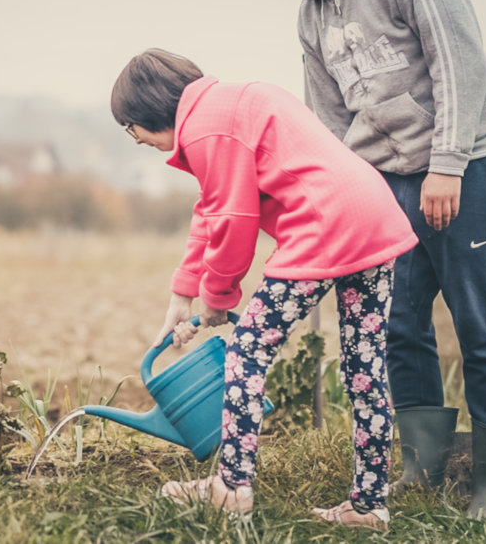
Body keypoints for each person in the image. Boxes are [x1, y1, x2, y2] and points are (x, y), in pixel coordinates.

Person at [242, 0, 486, 520]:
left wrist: (447, 164)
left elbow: (460, 63)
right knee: (398, 322)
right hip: (389, 177)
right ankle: (424, 468)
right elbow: (331, 122)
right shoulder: (311, 17)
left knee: (478, 322)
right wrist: (342, 204)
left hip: (467, 161)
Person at [111, 48, 418, 531]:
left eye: (133, 132)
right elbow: (212, 208)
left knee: (246, 353)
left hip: (323, 228)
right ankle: (370, 506)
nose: (140, 142)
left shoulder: (206, 127)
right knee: (365, 366)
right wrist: (184, 294)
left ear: (147, 112)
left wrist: (219, 296)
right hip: (372, 217)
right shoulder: (226, 104)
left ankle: (232, 488)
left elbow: (233, 221)